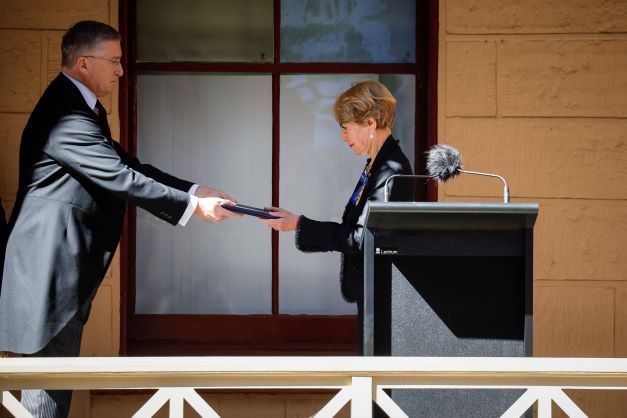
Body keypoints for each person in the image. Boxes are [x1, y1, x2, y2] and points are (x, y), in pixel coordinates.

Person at [0, 20, 240, 418]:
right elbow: (120, 178)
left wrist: (196, 191)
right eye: (113, 61)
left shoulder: (81, 108)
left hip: (58, 277)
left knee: (50, 398)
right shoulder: (66, 114)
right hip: (45, 279)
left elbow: (129, 164)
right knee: (44, 403)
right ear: (82, 63)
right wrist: (192, 207)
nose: (121, 70)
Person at [259, 79, 413, 352]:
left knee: (378, 375)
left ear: (370, 123)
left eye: (345, 128)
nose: (342, 137)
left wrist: (299, 224)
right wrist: (298, 224)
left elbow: (363, 238)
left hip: (384, 295)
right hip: (372, 290)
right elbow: (354, 229)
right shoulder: (375, 165)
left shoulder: (390, 169)